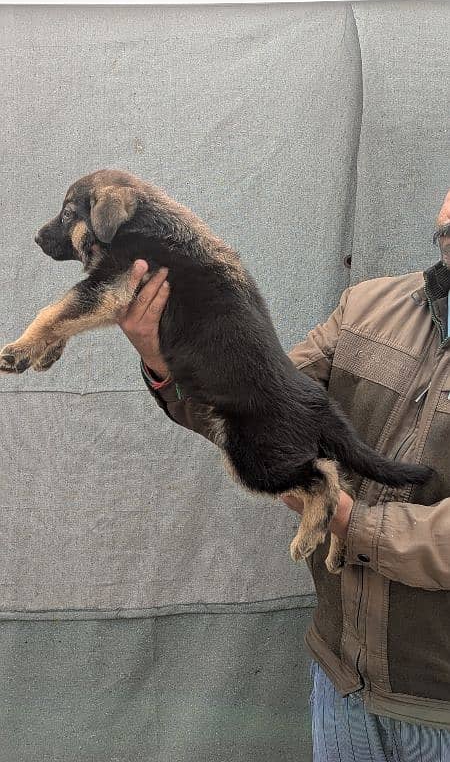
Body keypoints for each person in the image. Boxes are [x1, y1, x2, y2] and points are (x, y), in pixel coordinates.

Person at [117, 190, 450, 761]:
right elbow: (256, 404)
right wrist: (165, 359)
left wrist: (347, 520)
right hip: (341, 680)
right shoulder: (367, 306)